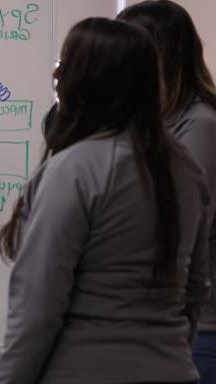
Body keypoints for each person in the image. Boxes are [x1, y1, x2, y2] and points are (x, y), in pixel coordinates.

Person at [0, 17, 210, 383]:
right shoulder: (185, 168)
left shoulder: (75, 169)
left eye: (65, 64)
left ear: (86, 79)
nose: (56, 74)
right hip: (173, 368)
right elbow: (196, 287)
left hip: (85, 370)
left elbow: (37, 306)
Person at [118, 2, 216, 382]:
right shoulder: (155, 121)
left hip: (199, 329)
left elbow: (177, 225)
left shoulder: (199, 125)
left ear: (160, 57)